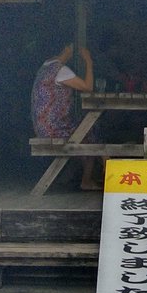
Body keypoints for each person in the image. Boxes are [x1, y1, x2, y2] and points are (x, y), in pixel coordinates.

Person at [30, 43, 97, 189]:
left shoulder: (45, 67)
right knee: (90, 136)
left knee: (83, 132)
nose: (72, 53)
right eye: (71, 49)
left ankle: (70, 177)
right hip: (53, 128)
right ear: (65, 49)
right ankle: (87, 180)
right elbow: (88, 87)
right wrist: (88, 62)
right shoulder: (60, 70)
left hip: (42, 126)